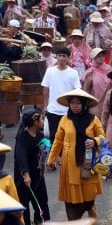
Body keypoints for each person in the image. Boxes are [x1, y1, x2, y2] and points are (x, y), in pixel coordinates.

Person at [47, 88, 104, 220]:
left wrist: (95, 141)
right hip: (69, 164)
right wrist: (51, 160)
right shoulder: (65, 120)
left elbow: (102, 136)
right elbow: (58, 141)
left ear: (84, 104)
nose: (75, 106)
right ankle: (74, 220)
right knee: (71, 200)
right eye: (72, 103)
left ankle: (90, 208)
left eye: (78, 103)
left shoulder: (93, 119)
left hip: (87, 162)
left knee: (89, 195)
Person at [14, 109, 51, 225]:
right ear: (35, 122)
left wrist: (46, 157)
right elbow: (21, 156)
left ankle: (40, 220)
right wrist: (26, 174)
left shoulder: (40, 135)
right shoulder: (22, 137)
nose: (43, 120)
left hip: (38, 175)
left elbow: (41, 155)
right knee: (24, 203)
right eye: (40, 118)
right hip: (24, 178)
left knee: (42, 200)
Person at [41, 47, 81, 144]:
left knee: (68, 137)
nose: (61, 58)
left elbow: (77, 91)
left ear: (68, 58)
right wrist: (45, 106)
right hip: (53, 110)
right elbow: (45, 89)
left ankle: (66, 158)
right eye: (59, 56)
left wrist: (76, 108)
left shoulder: (73, 73)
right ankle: (54, 158)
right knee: (53, 137)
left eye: (64, 56)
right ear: (57, 57)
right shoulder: (50, 71)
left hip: (68, 111)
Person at [83, 48, 112, 119]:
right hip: (95, 104)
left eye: (102, 56)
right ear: (94, 58)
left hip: (108, 101)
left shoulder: (109, 69)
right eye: (99, 56)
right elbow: (86, 91)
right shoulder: (90, 72)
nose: (101, 58)